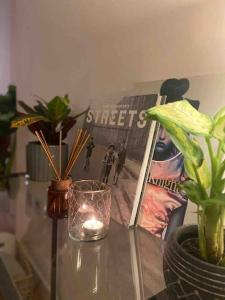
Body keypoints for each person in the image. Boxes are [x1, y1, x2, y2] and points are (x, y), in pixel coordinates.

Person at [139, 78, 191, 240]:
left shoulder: (182, 178)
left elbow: (170, 241)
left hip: (148, 249)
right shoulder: (140, 157)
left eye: (170, 129)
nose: (161, 136)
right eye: (159, 126)